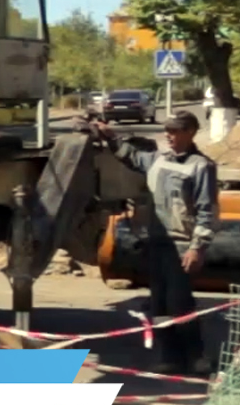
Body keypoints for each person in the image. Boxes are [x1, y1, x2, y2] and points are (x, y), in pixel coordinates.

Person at [85, 112, 217, 376]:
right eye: (167, 130)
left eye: (175, 131)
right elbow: (130, 156)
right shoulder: (157, 159)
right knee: (159, 304)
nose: (169, 135)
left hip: (181, 245)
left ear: (191, 132)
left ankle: (196, 356)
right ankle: (169, 356)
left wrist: (197, 247)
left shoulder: (201, 166)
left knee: (180, 302)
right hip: (156, 243)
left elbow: (207, 211)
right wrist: (110, 136)